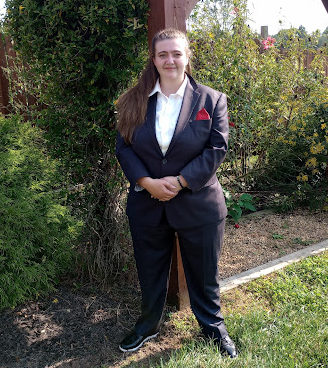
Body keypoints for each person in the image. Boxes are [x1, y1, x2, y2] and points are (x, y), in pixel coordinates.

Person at [115, 28, 237, 358]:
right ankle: (149, 323)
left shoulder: (212, 100)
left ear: (187, 57)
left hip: (199, 204)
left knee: (204, 272)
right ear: (153, 60)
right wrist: (147, 182)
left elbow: (216, 149)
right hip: (148, 203)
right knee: (150, 268)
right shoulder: (133, 100)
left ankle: (212, 326)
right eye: (163, 54)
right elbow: (124, 149)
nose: (170, 60)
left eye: (176, 53)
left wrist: (180, 182)